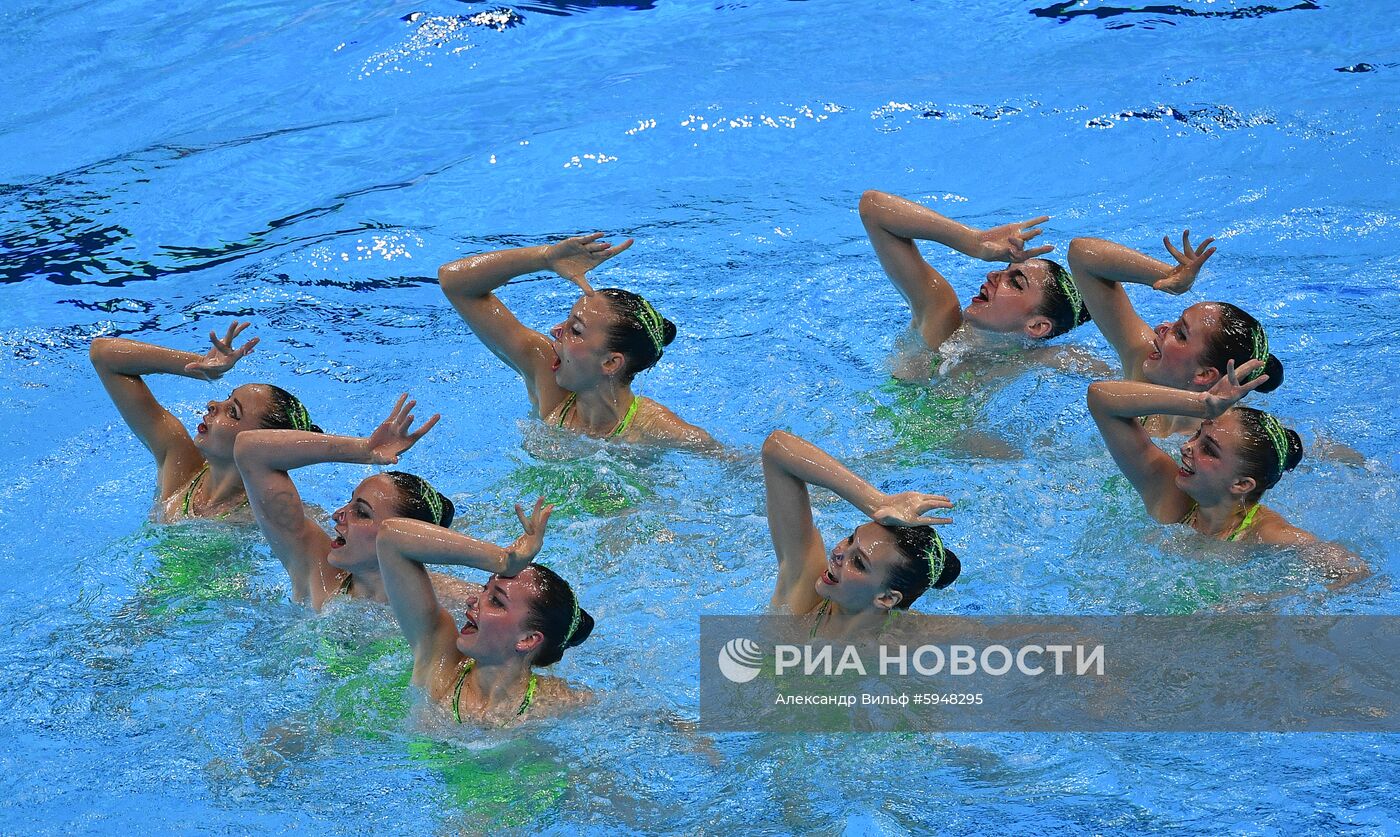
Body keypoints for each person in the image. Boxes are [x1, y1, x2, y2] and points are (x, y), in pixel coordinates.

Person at [1087, 361, 1367, 589]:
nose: (1187, 446)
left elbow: (1356, 572)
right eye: (1198, 434)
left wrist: (1265, 604)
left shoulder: (1267, 534)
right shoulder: (1172, 497)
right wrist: (1199, 405)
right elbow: (1101, 399)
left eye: (1208, 449)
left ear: (1242, 484)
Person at [438, 233, 717, 450]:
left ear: (610, 362)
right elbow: (455, 282)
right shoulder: (546, 376)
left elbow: (734, 466)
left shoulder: (653, 428)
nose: (556, 330)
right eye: (566, 320)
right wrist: (544, 258)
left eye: (576, 330)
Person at [234, 394, 470, 610]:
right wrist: (364, 450)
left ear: (405, 536)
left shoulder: (451, 601)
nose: (338, 514)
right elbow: (250, 449)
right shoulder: (319, 575)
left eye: (362, 513)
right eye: (349, 503)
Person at [376, 498, 594, 725]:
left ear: (528, 639)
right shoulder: (440, 663)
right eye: (483, 589)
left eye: (497, 601)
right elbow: (391, 537)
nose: (472, 601)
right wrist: (502, 560)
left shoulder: (558, 703)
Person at [90, 321, 317, 522]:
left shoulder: (268, 516)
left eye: (232, 412)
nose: (212, 404)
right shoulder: (180, 465)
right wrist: (200, 366)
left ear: (261, 446)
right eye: (228, 398)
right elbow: (104, 354)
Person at [1068, 232, 1285, 435]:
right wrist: (1171, 276)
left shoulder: (1212, 446)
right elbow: (1082, 254)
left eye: (1180, 334)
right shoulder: (1146, 367)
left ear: (1204, 375)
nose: (1161, 327)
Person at [762, 430, 961, 639]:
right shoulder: (803, 593)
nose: (839, 552)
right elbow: (777, 449)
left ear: (886, 598)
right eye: (850, 539)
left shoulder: (911, 642)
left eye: (858, 562)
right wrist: (877, 501)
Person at [858, 189, 1091, 359]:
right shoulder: (941, 317)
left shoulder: (1039, 361)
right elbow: (873, 208)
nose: (993, 275)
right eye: (1005, 269)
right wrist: (973, 241)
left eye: (1016, 283)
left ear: (1037, 327)